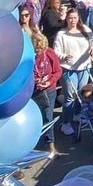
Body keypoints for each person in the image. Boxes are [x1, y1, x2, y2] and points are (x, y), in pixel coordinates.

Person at [54, 9, 93, 136]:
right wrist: (64, 56)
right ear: (66, 19)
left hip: (84, 67)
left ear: (78, 18)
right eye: (70, 18)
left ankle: (77, 114)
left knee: (81, 93)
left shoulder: (85, 29)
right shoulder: (61, 34)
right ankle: (66, 123)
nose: (72, 20)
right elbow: (56, 50)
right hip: (68, 69)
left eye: (75, 18)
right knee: (70, 96)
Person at [33, 31, 62, 159]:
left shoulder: (49, 53)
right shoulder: (29, 56)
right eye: (36, 50)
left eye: (40, 49)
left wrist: (49, 82)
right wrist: (35, 81)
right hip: (34, 91)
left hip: (49, 90)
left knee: (48, 117)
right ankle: (33, 145)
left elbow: (58, 71)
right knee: (36, 118)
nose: (38, 52)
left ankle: (51, 145)